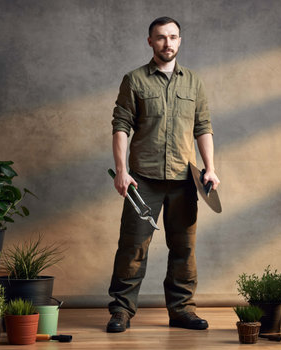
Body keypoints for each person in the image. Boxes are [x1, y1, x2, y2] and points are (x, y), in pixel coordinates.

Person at [107, 16, 220, 333]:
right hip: (143, 180)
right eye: (160, 37)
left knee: (184, 249)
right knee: (133, 247)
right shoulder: (134, 80)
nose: (167, 43)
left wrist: (210, 168)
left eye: (173, 37)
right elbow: (120, 127)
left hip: (185, 180)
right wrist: (121, 172)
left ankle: (182, 310)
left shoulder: (194, 82)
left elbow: (203, 128)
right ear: (149, 41)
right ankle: (121, 311)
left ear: (180, 41)